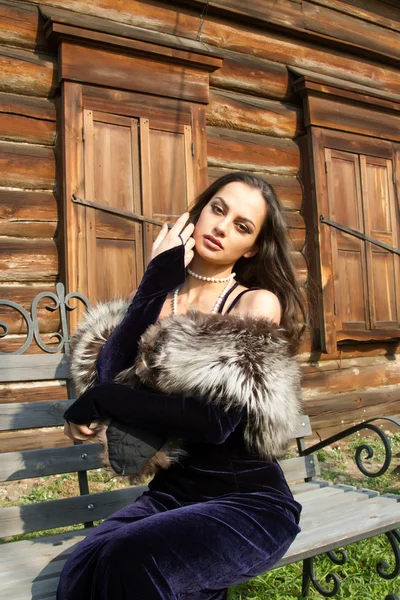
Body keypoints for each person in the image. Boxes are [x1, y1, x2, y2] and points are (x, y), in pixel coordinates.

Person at [57, 172, 306, 600]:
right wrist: (155, 277)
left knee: (130, 560)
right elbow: (112, 375)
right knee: (82, 569)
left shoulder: (254, 303)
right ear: (199, 211)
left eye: (242, 226)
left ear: (252, 247)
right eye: (218, 209)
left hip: (246, 502)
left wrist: (98, 399)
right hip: (171, 496)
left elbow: (214, 423)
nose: (223, 226)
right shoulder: (162, 298)